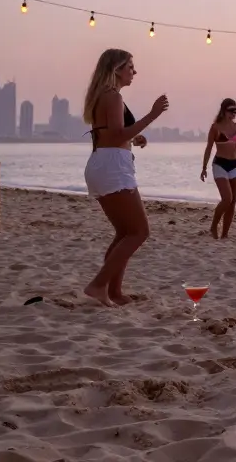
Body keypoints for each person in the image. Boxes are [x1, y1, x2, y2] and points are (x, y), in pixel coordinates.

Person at [81, 48, 169, 307]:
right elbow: (117, 135)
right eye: (130, 66)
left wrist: (133, 138)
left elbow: (113, 134)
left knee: (124, 231)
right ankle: (98, 285)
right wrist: (153, 115)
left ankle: (114, 292)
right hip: (112, 167)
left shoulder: (103, 96)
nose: (134, 71)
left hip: (102, 163)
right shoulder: (113, 97)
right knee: (139, 231)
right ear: (116, 69)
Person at [201, 98, 236, 239]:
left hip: (234, 165)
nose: (234, 113)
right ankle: (214, 225)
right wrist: (204, 168)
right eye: (231, 111)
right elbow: (208, 148)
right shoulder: (216, 127)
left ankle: (225, 235)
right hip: (220, 164)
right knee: (227, 198)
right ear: (224, 111)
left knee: (232, 203)